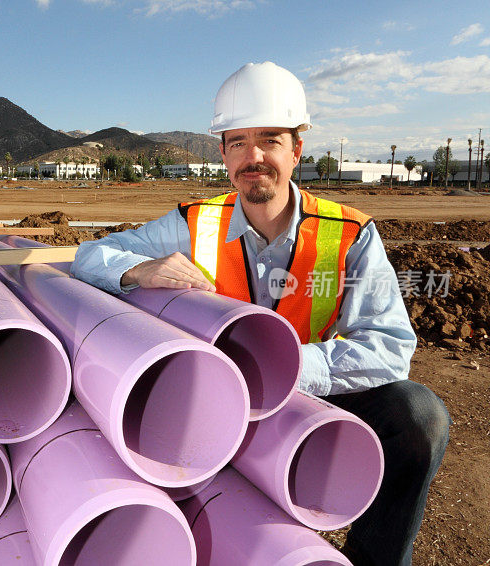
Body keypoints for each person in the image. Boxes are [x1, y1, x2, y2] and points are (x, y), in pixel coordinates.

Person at [70, 61, 450, 566]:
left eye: (270, 139)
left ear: (297, 150)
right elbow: (87, 255)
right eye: (237, 142)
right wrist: (140, 270)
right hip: (212, 405)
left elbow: (389, 347)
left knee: (418, 416)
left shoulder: (349, 235)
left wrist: (282, 373)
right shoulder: (194, 223)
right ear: (223, 153)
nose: (254, 157)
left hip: (306, 397)